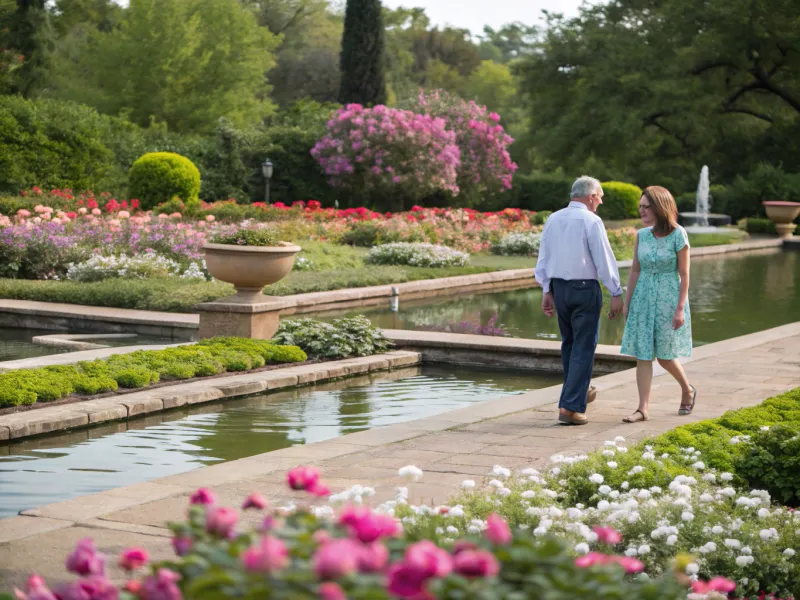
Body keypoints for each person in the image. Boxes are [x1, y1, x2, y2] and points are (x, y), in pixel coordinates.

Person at [535, 176, 624, 426]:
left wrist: (546, 290)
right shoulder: (591, 220)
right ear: (591, 197)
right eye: (601, 197)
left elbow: (544, 257)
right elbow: (603, 260)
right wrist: (616, 292)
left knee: (570, 346)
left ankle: (578, 393)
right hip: (584, 290)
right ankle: (570, 408)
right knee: (583, 347)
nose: (602, 201)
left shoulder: (553, 218)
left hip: (559, 289)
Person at [620, 186, 696, 423]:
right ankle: (642, 408)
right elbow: (635, 270)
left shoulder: (678, 234)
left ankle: (687, 389)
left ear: (660, 207)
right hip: (643, 297)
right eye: (640, 206)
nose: (642, 211)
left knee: (665, 355)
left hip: (668, 298)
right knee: (643, 354)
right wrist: (627, 302)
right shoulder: (642, 235)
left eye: (647, 206)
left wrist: (680, 308)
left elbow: (684, 274)